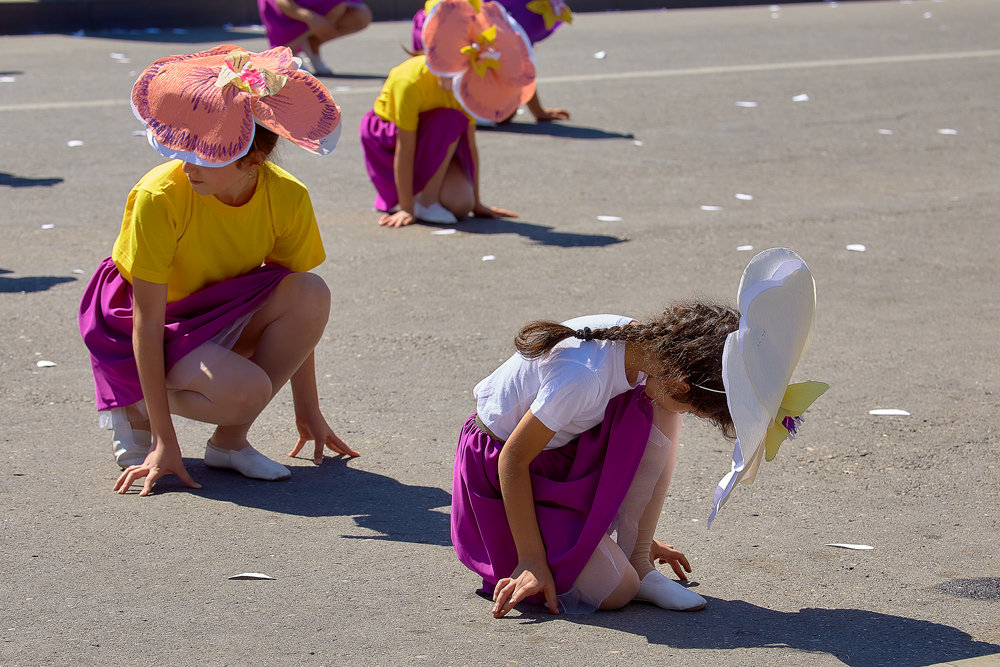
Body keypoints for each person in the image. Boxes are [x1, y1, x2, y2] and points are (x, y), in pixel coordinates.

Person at [451, 248, 826, 617]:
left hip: (555, 455)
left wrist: (635, 536)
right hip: (503, 473)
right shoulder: (583, 377)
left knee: (660, 409)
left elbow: (657, 409)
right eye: (694, 408)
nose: (688, 413)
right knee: (618, 590)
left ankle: (639, 556)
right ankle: (608, 561)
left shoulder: (652, 347)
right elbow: (511, 461)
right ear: (680, 383)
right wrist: (532, 560)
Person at [78, 44, 358, 498]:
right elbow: (147, 321)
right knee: (245, 390)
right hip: (146, 321)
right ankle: (129, 399)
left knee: (311, 290)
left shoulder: (288, 198)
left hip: (220, 308)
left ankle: (229, 443)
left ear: (253, 159)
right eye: (186, 146)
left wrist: (307, 408)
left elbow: (297, 312)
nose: (188, 164)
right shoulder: (159, 196)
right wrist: (166, 443)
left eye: (207, 153)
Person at [359, 0, 534, 226]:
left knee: (462, 204)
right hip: (389, 142)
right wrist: (407, 209)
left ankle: (425, 195)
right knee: (451, 119)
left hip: (434, 138)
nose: (454, 77)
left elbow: (470, 146)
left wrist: (477, 202)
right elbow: (404, 147)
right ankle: (422, 200)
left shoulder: (468, 86)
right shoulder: (409, 81)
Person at [410, 0, 571, 122]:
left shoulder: (508, 20)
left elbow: (518, 65)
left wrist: (539, 111)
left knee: (503, 111)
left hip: (461, 36)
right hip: (441, 29)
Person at [257, 0, 372, 76]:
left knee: (359, 14)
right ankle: (290, 50)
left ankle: (311, 44)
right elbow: (282, 2)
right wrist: (310, 17)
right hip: (284, 11)